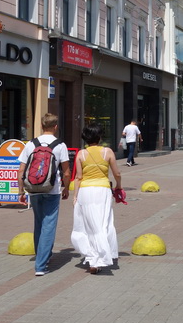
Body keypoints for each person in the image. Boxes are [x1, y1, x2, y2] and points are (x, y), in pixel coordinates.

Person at [17, 113, 71, 277]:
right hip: (52, 189)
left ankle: (43, 256)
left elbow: (20, 171)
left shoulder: (31, 144)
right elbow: (66, 172)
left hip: (33, 189)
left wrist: (21, 191)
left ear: (41, 126)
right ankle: (41, 265)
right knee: (49, 225)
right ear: (55, 127)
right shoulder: (60, 145)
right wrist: (66, 188)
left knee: (39, 223)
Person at [70, 122, 121, 275]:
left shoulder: (81, 154)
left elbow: (78, 177)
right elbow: (117, 173)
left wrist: (75, 196)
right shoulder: (108, 152)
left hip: (85, 191)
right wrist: (119, 186)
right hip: (102, 191)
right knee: (103, 223)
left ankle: (92, 258)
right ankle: (99, 258)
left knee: (87, 225)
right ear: (99, 137)